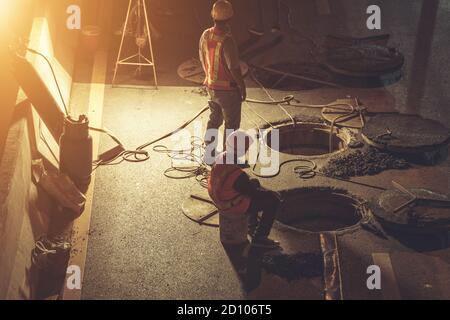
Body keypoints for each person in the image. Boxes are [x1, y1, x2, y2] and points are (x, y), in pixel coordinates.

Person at [208, 131, 281, 248]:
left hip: (219, 195)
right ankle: (260, 237)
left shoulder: (221, 157)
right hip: (230, 205)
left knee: (254, 182)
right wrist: (272, 194)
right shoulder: (237, 175)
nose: (247, 151)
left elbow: (247, 185)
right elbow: (253, 193)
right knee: (273, 201)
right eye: (246, 148)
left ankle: (252, 225)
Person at [199, 0, 246, 164]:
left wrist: (208, 78)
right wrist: (242, 86)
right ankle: (229, 160)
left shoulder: (205, 35)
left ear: (213, 15)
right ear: (230, 18)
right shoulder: (228, 40)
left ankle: (209, 154)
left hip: (211, 87)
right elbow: (234, 67)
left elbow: (203, 59)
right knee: (231, 125)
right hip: (228, 90)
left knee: (214, 119)